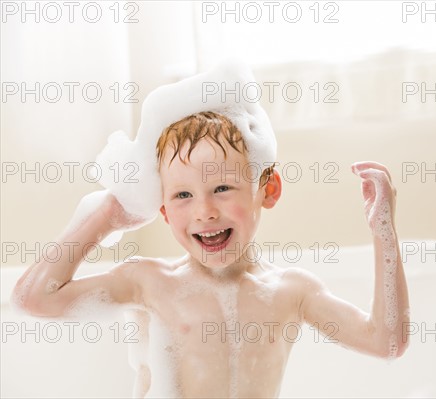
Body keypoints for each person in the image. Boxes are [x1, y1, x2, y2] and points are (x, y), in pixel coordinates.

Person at [12, 73, 410, 399]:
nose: (204, 211)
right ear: (164, 212)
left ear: (267, 191)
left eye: (222, 188)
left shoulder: (292, 291)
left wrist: (383, 232)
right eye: (183, 195)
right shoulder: (150, 283)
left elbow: (385, 341)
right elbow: (34, 298)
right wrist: (106, 215)